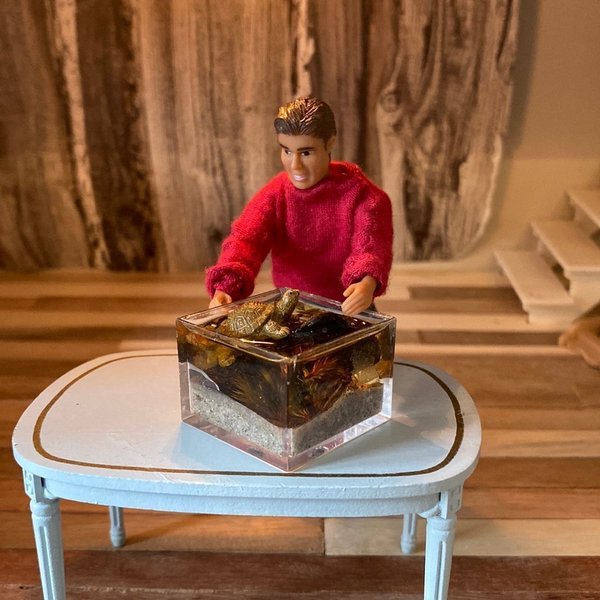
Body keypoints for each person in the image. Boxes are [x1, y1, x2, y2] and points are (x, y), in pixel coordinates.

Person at [205, 97, 393, 316]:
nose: (295, 165)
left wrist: (366, 283)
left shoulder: (364, 197)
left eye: (306, 153)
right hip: (293, 309)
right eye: (286, 151)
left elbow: (370, 247)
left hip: (349, 309)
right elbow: (246, 240)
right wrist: (225, 287)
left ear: (330, 143)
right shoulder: (276, 194)